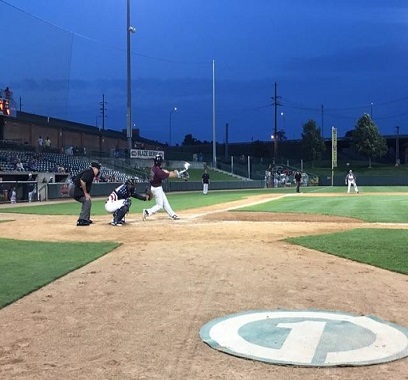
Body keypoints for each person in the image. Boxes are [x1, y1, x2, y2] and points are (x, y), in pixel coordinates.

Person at [142, 154, 181, 221]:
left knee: (165, 202)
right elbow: (169, 175)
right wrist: (176, 174)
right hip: (157, 189)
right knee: (160, 205)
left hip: (155, 187)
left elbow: (163, 171)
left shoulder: (154, 168)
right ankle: (147, 212)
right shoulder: (159, 172)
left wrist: (172, 172)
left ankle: (172, 214)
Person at [68, 161, 101, 226]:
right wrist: (85, 193)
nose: (98, 171)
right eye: (98, 169)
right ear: (94, 168)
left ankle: (86, 219)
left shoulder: (90, 172)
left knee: (88, 200)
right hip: (74, 188)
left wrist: (87, 194)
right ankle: (82, 220)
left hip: (74, 188)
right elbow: (82, 181)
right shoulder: (90, 171)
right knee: (87, 201)